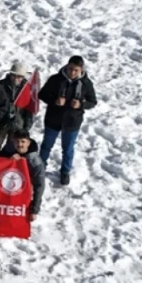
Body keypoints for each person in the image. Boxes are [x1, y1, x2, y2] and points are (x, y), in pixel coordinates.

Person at [38, 55, 97, 186]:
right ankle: (40, 168)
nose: (72, 72)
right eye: (70, 69)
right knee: (46, 145)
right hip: (53, 118)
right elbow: (42, 94)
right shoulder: (55, 79)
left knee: (68, 148)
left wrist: (81, 104)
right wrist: (54, 100)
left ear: (81, 70)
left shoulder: (86, 84)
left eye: (76, 70)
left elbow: (92, 101)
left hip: (72, 121)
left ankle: (65, 172)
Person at [1, 130, 46, 222]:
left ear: (28, 143)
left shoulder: (36, 163)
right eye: (17, 141)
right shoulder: (9, 148)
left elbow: (39, 186)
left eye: (23, 142)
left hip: (22, 191)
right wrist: (8, 157)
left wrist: (34, 210)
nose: (20, 144)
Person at [0, 61, 34, 153]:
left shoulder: (26, 89)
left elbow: (29, 109)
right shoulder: (1, 85)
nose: (16, 79)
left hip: (17, 123)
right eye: (14, 75)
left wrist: (27, 126)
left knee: (13, 148)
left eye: (19, 76)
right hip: (2, 121)